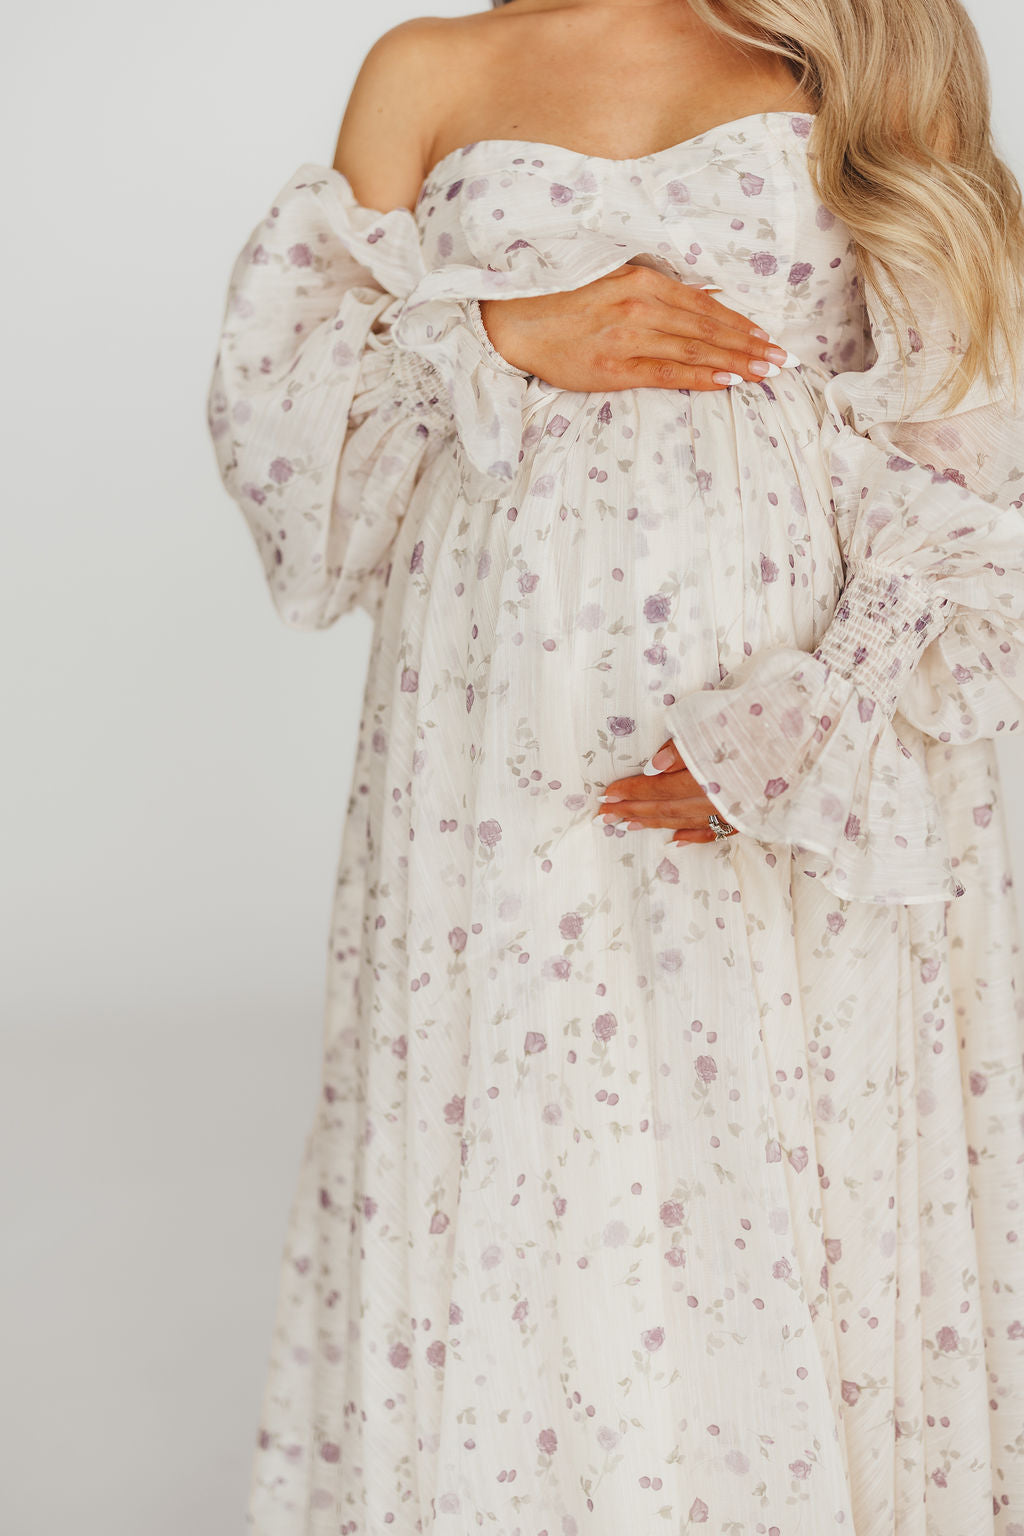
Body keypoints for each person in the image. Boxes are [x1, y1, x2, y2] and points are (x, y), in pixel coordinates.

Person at [205, 0, 1024, 1529]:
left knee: (786, 1152)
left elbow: (972, 431)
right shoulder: (427, 70)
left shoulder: (850, 42)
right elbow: (289, 426)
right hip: (493, 733)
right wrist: (495, 334)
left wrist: (814, 720)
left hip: (783, 730)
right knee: (525, 1138)